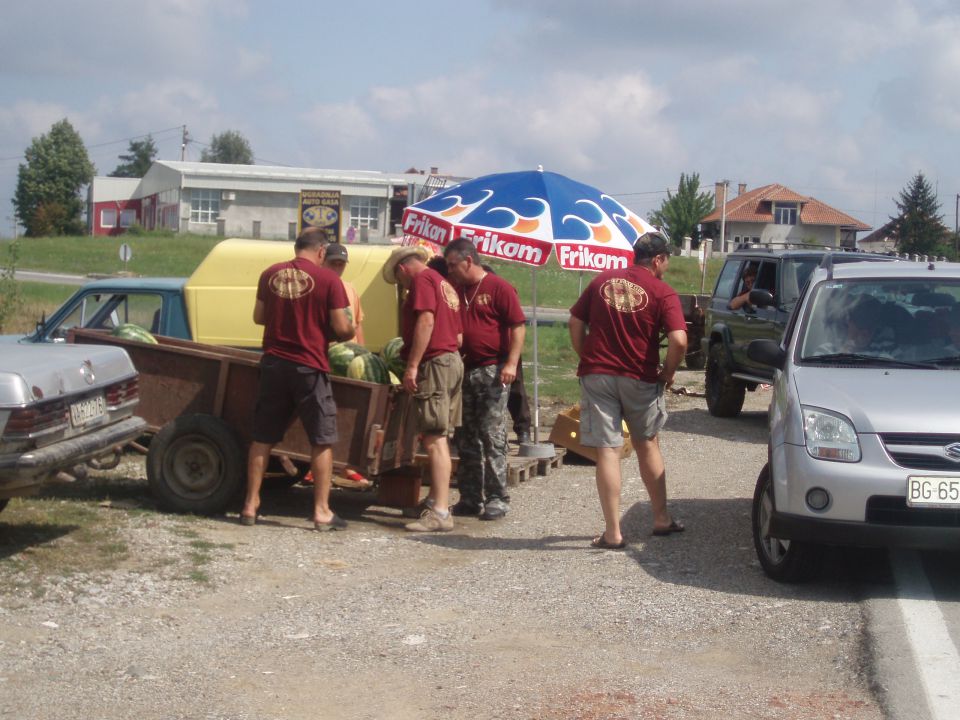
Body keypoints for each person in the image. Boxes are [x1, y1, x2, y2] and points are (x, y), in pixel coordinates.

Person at [568, 232, 688, 549]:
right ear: (659, 259)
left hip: (598, 374)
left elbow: (575, 322)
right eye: (667, 259)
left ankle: (613, 532)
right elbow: (679, 340)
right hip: (641, 377)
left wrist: (587, 358)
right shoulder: (663, 292)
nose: (668, 266)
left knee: (607, 450)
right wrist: (668, 372)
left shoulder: (600, 281)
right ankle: (661, 519)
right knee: (647, 443)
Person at [240, 227, 355, 531]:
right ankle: (321, 511)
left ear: (297, 247)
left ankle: (250, 505)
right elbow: (343, 329)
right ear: (321, 251)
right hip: (309, 366)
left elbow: (259, 317)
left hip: (274, 364)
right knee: (321, 439)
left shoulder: (270, 274)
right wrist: (345, 331)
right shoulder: (330, 280)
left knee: (262, 437)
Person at [443, 239, 526, 520]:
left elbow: (517, 326)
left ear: (469, 261)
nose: (451, 270)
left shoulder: (498, 288)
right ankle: (469, 497)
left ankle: (497, 497)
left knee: (492, 435)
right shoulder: (455, 289)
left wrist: (511, 363)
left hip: (492, 370)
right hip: (463, 370)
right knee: (465, 436)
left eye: (454, 265)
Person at [383, 245, 464, 532]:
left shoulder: (422, 281)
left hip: (436, 363)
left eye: (399, 280)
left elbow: (426, 320)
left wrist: (413, 365)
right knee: (441, 435)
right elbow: (458, 334)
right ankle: (435, 501)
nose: (403, 287)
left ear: (403, 269)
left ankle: (441, 513)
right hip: (451, 360)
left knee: (434, 437)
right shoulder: (444, 284)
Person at [323, 243, 364, 344]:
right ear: (322, 262)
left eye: (340, 264)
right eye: (332, 263)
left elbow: (357, 324)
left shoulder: (350, 288)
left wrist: (363, 351)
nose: (336, 268)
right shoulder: (317, 288)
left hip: (351, 352)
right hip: (328, 352)